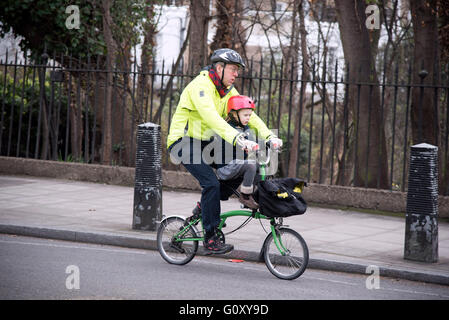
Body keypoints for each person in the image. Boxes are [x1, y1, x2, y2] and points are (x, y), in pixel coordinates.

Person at [167, 48, 282, 254]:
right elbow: (211, 117)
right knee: (210, 183)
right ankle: (210, 238)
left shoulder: (227, 90)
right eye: (233, 69)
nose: (236, 74)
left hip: (207, 143)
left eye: (238, 70)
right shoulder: (200, 86)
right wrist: (237, 138)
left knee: (237, 169)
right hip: (184, 142)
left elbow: (248, 114)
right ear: (219, 68)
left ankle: (204, 208)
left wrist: (269, 136)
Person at [216, 95, 259, 210]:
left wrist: (266, 143)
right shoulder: (226, 128)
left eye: (250, 115)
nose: (248, 118)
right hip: (226, 167)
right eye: (245, 115)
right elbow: (233, 138)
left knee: (259, 165)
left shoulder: (245, 127)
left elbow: (252, 139)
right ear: (234, 114)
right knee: (250, 165)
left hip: (237, 165)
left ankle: (256, 195)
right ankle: (245, 197)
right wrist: (243, 143)